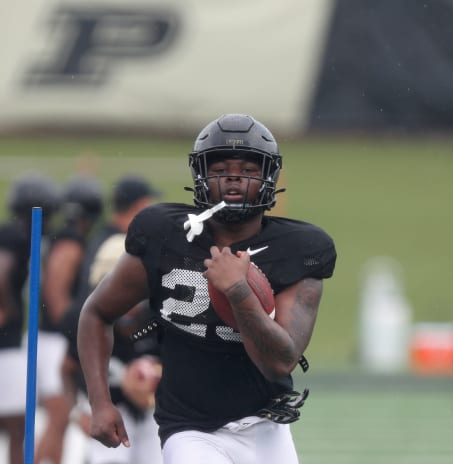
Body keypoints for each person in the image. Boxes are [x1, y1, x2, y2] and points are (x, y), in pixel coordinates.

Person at [77, 113, 337, 464]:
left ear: (268, 178)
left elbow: (281, 361)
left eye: (247, 169)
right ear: (200, 176)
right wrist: (100, 402)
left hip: (266, 426)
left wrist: (239, 292)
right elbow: (96, 312)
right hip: (189, 429)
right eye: (220, 169)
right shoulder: (163, 235)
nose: (233, 177)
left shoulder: (300, 249)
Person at [63, 174, 163, 464]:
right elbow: (67, 367)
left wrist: (156, 379)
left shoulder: (159, 313)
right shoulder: (84, 317)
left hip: (150, 413)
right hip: (106, 409)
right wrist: (80, 410)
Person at [36, 175, 104, 464]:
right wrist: (71, 332)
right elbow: (56, 295)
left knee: (62, 416)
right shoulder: (71, 243)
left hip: (52, 337)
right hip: (55, 339)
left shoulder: (63, 237)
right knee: (59, 413)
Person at [0, 173, 61, 464]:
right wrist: (6, 307)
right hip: (6, 346)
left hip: (9, 344)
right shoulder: (15, 237)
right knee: (16, 426)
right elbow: (1, 271)